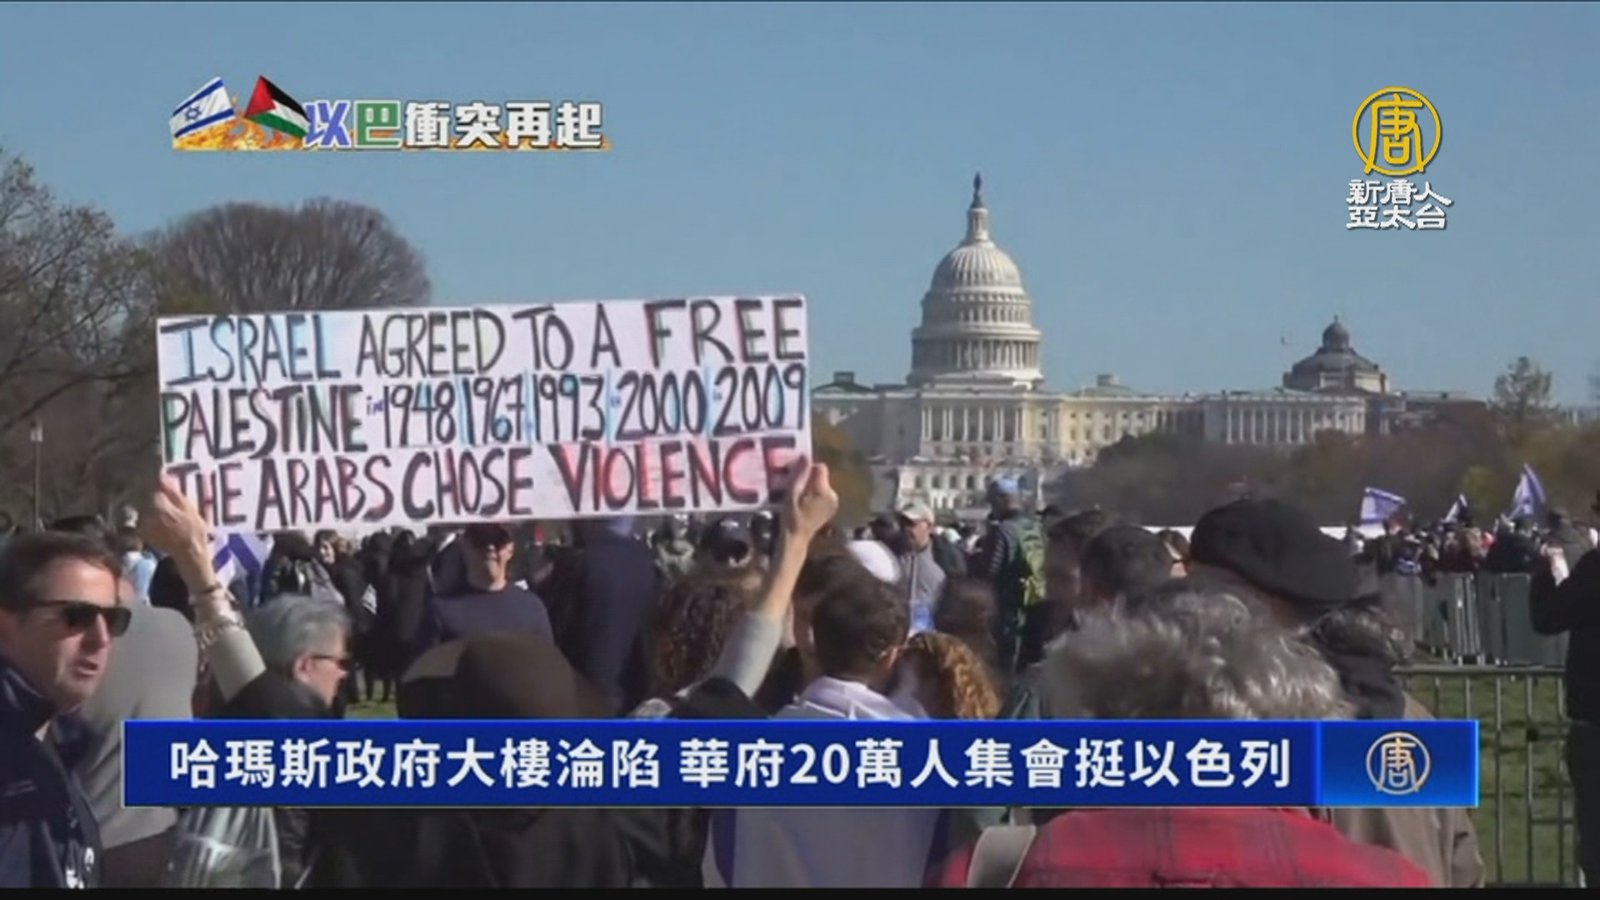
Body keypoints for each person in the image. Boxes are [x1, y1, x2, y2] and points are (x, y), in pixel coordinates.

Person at [0, 532, 129, 888]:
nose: (101, 639)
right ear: (5, 628)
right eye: (76, 617)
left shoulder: (61, 741)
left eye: (112, 619)